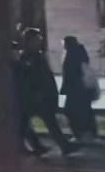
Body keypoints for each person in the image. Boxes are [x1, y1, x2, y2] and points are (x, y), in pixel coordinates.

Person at [16, 28, 78, 157]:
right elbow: (28, 78)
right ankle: (55, 146)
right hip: (34, 96)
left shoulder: (37, 56)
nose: (39, 42)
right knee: (28, 122)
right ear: (29, 41)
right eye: (36, 40)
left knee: (41, 121)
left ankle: (49, 146)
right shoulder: (27, 58)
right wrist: (36, 92)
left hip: (41, 95)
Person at [60, 35, 98, 141]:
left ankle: (80, 134)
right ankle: (88, 133)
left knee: (71, 111)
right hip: (82, 89)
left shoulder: (71, 55)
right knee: (84, 111)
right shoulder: (80, 53)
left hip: (76, 89)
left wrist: (65, 88)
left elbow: (70, 74)